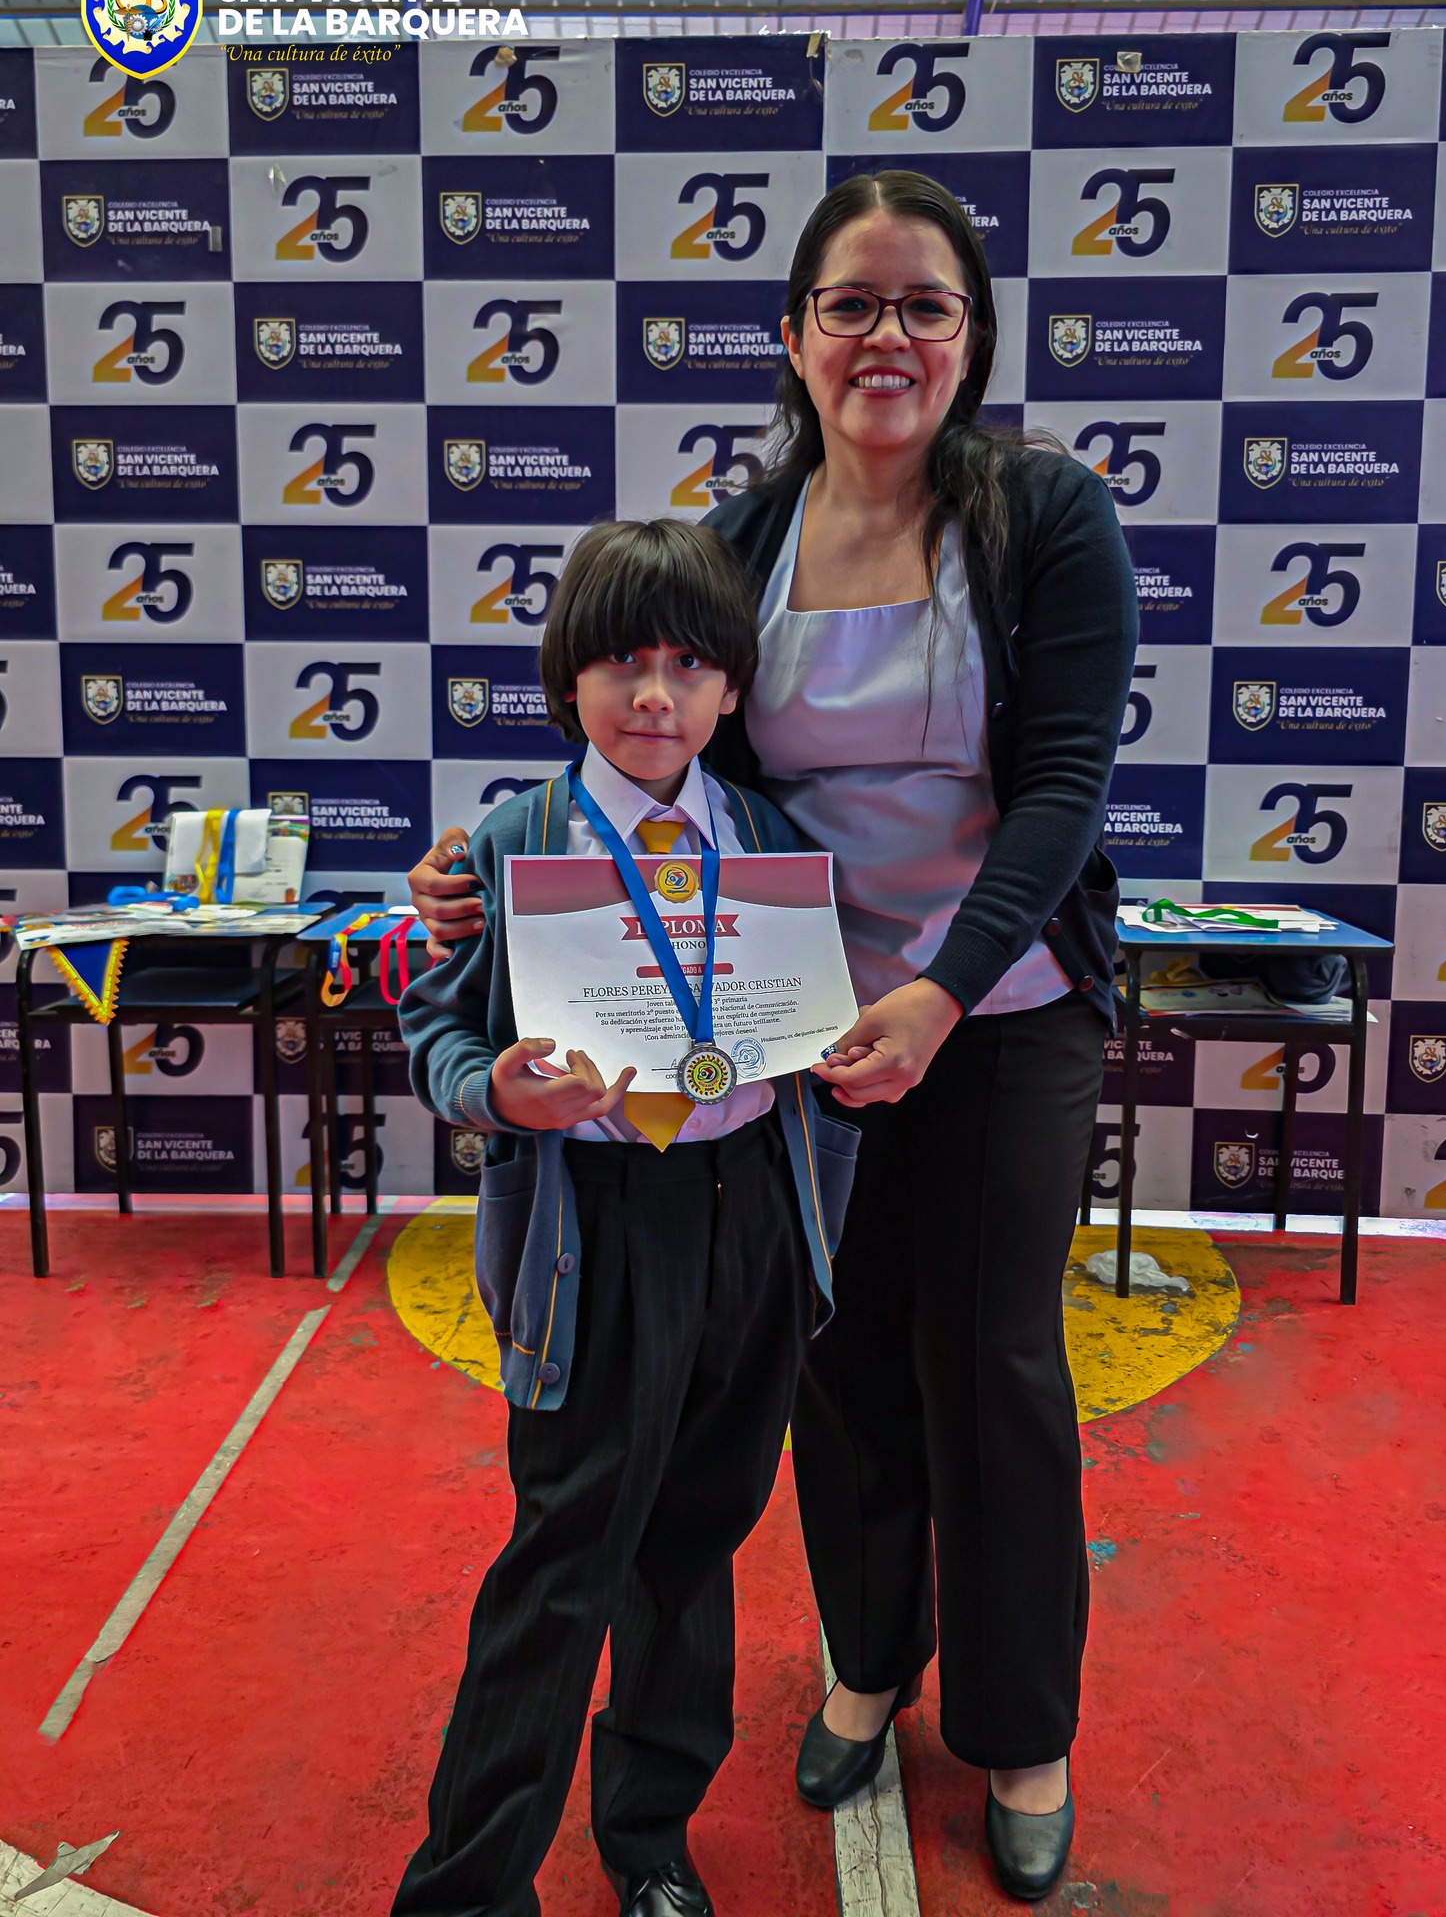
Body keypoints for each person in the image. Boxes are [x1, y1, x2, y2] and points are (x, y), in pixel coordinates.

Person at [408, 170, 1138, 1903]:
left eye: (925, 305)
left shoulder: (1045, 513)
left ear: (971, 336)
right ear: (795, 334)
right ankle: (868, 1665)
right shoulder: (745, 537)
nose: (888, 336)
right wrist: (488, 881)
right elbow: (666, 777)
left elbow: (1062, 790)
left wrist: (941, 989)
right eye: (851, 304)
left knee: (994, 1370)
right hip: (789, 1039)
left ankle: (1020, 1730)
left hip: (995, 1011)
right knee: (836, 1369)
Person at [392, 518, 858, 1917]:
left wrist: (838, 1059)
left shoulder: (768, 841)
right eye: (622, 664)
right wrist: (493, 1091)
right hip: (593, 1227)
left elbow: (810, 1028)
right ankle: (468, 1888)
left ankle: (649, 1835)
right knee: (565, 1553)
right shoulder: (509, 844)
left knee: (696, 1538)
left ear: (731, 689)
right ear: (569, 681)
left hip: (749, 1215)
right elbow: (434, 1028)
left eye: (689, 666)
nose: (655, 696)